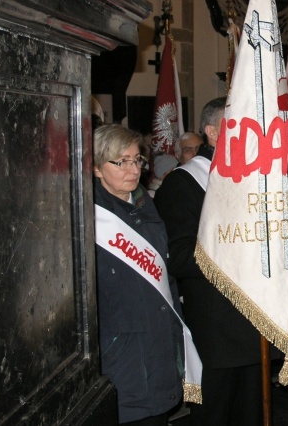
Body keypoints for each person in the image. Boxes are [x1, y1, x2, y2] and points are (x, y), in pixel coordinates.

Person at [154, 97, 264, 426]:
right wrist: (241, 251)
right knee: (217, 414)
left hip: (255, 317)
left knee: (253, 413)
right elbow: (179, 257)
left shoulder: (252, 177)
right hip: (217, 328)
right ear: (213, 132)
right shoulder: (183, 183)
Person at [92, 124, 185, 425]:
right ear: (96, 168)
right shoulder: (89, 218)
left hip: (158, 346)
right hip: (122, 356)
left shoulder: (147, 206)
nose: (133, 169)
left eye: (137, 160)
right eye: (122, 162)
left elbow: (165, 277)